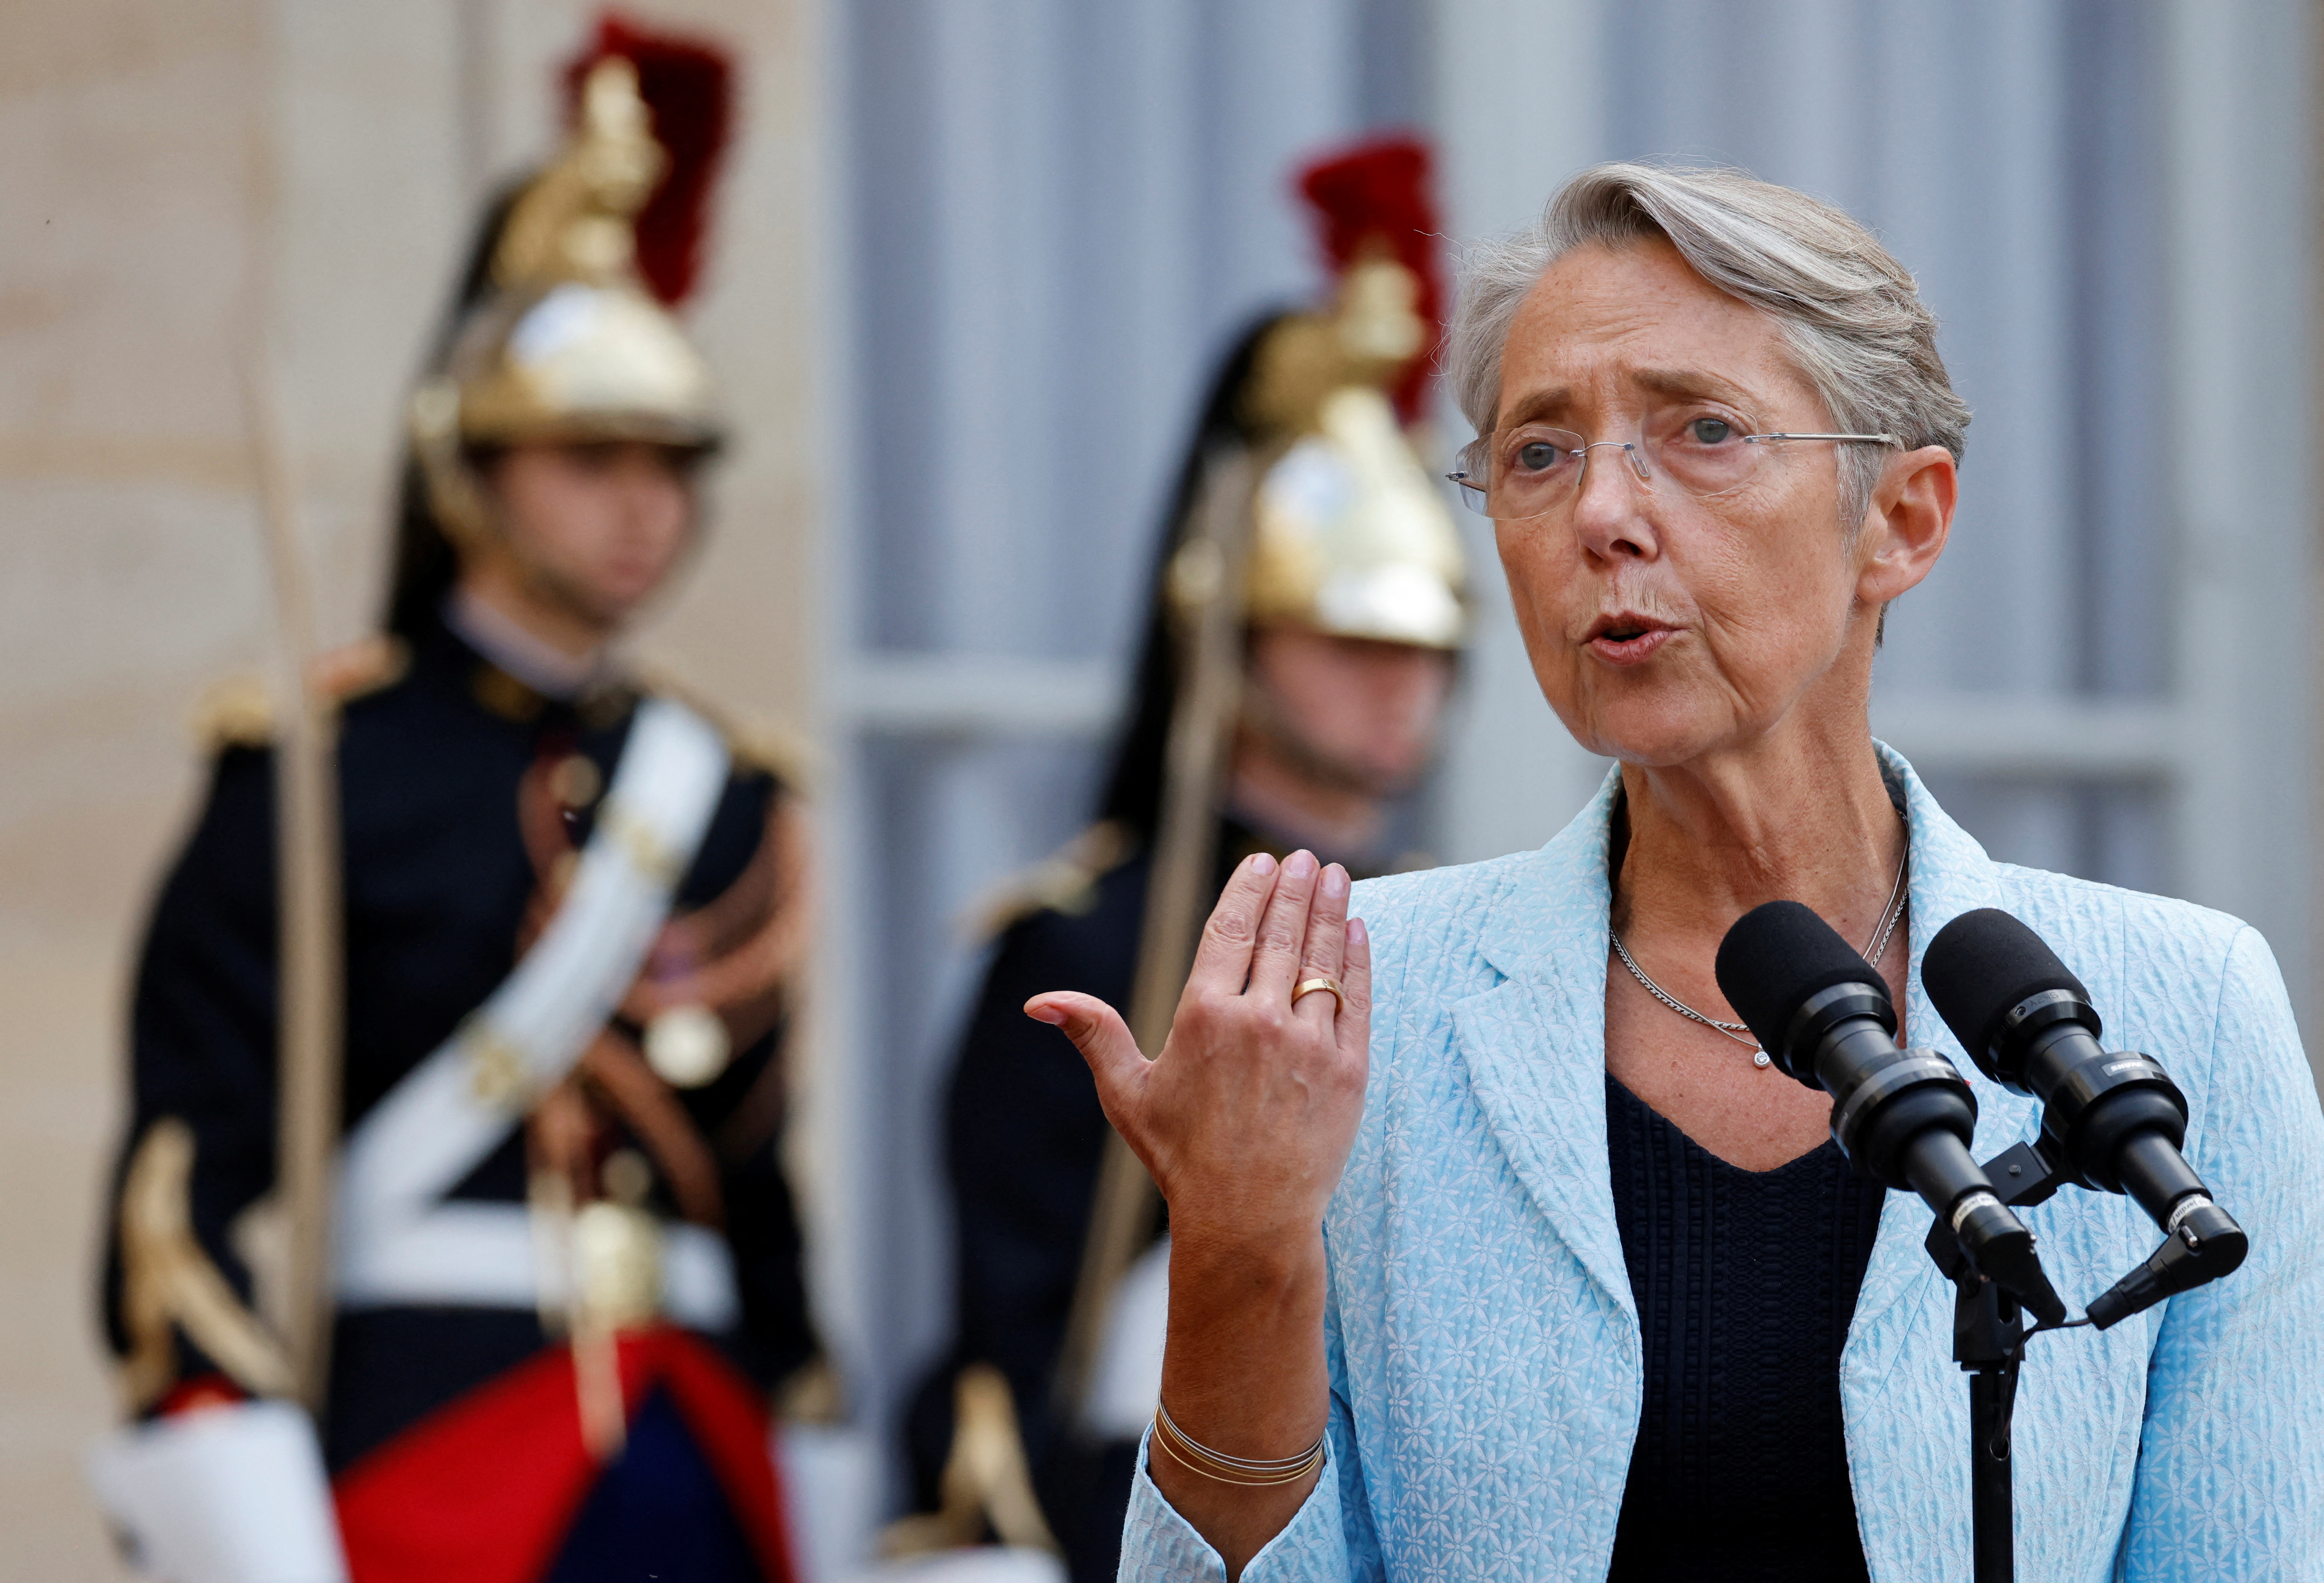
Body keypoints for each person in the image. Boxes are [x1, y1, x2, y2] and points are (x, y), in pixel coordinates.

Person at [1036, 164, 2324, 1580]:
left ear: (1902, 520)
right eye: (1538, 453)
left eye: (1701, 431)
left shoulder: (2182, 1008)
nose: (1602, 514)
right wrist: (1239, 1253)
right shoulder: (1362, 1002)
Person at [98, 20, 818, 1583]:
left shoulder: (728, 791)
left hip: (699, 1446)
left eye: (672, 460)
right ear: (467, 467)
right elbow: (184, 1175)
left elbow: (753, 1185)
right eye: (588, 456)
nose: (645, 507)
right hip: (432, 1454)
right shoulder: (317, 770)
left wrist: (812, 1430)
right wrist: (231, 1454)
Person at [898, 138, 1469, 1582]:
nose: (1401, 689)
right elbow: (1019, 1346)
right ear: (1229, 630)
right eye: (1350, 642)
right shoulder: (1084, 940)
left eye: (1425, 649)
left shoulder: (1463, 929)